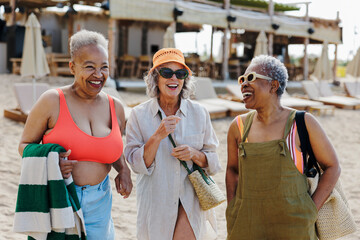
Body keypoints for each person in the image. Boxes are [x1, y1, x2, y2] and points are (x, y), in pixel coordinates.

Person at [18, 29, 133, 240]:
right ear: (72, 67)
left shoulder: (115, 106)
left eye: (104, 67)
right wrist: (51, 161)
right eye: (89, 67)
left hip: (100, 200)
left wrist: (123, 169)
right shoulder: (51, 101)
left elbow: (112, 147)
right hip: (59, 196)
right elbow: (24, 145)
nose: (98, 75)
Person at [225, 55, 341, 239]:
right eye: (242, 79)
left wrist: (311, 209)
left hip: (294, 226)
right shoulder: (238, 127)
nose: (244, 84)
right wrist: (232, 210)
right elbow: (232, 170)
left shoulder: (302, 123)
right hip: (245, 225)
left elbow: (333, 166)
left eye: (251, 78)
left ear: (273, 85)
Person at [124, 48, 221, 240]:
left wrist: (194, 154)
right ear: (155, 78)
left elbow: (214, 162)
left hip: (190, 198)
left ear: (185, 79)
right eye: (166, 73)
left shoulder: (200, 113)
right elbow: (136, 165)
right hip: (156, 200)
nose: (173, 79)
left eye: (180, 73)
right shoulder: (138, 115)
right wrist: (157, 136)